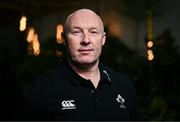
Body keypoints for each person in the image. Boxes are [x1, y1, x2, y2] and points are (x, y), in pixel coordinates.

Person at [14, 8, 140, 121]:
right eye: (76, 32)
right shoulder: (40, 91)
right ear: (64, 39)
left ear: (103, 39)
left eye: (93, 32)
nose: (86, 40)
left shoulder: (124, 86)